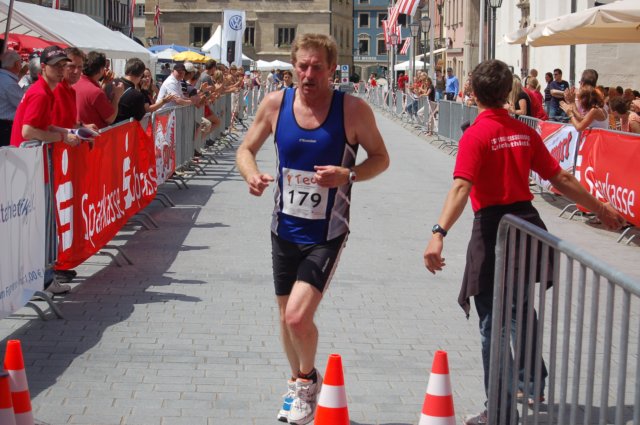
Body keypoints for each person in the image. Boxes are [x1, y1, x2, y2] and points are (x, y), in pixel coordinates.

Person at [423, 59, 625, 425]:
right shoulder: (522, 131)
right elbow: (561, 178)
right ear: (507, 92)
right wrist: (600, 207)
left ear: (473, 92)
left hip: (494, 228)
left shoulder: (476, 135)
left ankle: (501, 410)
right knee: (518, 308)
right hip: (526, 226)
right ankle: (531, 383)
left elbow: (461, 187)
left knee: (493, 323)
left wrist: (439, 233)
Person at [236, 33, 389, 425]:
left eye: (317, 67)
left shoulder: (352, 110)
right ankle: (296, 383)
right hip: (283, 228)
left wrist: (348, 174)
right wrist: (251, 174)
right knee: (285, 316)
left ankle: (307, 382)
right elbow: (245, 149)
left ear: (332, 69)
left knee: (297, 318)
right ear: (293, 66)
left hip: (326, 234)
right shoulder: (275, 104)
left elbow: (381, 158)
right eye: (302, 66)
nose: (308, 74)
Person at [10, 46, 80, 148]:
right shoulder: (41, 93)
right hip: (26, 154)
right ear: (43, 66)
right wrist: (62, 137)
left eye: (64, 65)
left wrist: (73, 133)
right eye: (56, 65)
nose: (61, 70)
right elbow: (27, 132)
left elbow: (47, 126)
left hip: (27, 152)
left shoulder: (44, 90)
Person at [74, 51, 125, 129]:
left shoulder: (75, 83)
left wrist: (105, 83)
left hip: (79, 132)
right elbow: (110, 119)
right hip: (94, 134)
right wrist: (117, 97)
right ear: (101, 69)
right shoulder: (95, 92)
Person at [0, 50, 25, 146]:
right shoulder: (9, 83)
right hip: (5, 127)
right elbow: (23, 104)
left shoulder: (4, 78)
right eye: (20, 62)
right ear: (16, 64)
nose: (21, 65)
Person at [114, 58, 148, 123]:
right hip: (124, 128)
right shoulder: (137, 95)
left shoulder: (110, 83)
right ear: (141, 75)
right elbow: (139, 116)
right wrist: (143, 90)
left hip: (104, 127)